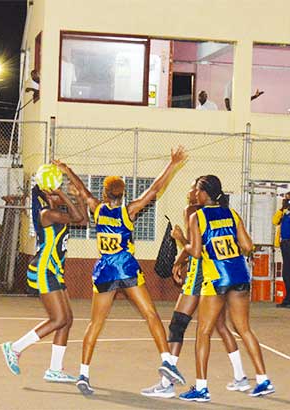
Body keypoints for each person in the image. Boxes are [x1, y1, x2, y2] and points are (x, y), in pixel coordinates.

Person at [58, 148, 188, 395]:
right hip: (126, 267)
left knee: (95, 323)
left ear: (105, 193)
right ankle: (168, 362)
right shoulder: (127, 212)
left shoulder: (97, 209)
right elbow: (154, 190)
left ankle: (83, 374)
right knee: (150, 314)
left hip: (106, 269)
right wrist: (171, 165)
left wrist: (66, 170)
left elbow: (83, 190)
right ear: (123, 193)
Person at [140, 180, 251, 398]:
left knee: (178, 324)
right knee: (220, 325)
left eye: (193, 187)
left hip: (202, 272)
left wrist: (180, 257)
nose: (190, 191)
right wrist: (179, 261)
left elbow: (194, 245)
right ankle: (240, 376)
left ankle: (167, 383)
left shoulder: (192, 211)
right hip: (222, 273)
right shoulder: (223, 212)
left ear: (203, 193)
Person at [177, 175, 274, 401]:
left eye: (197, 191)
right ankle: (263, 380)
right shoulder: (232, 213)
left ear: (204, 193)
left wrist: (181, 238)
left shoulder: (198, 216)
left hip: (216, 277)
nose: (196, 195)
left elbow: (196, 252)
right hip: (239, 274)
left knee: (203, 332)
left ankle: (201, 388)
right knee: (244, 329)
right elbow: (248, 246)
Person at [1, 175, 86, 382]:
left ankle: (55, 369)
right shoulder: (47, 214)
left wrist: (78, 198)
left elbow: (83, 220)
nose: (61, 190)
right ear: (48, 193)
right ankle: (14, 347)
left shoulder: (57, 212)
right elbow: (77, 218)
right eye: (57, 188)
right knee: (58, 319)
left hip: (54, 270)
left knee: (67, 321)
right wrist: (65, 195)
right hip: (44, 269)